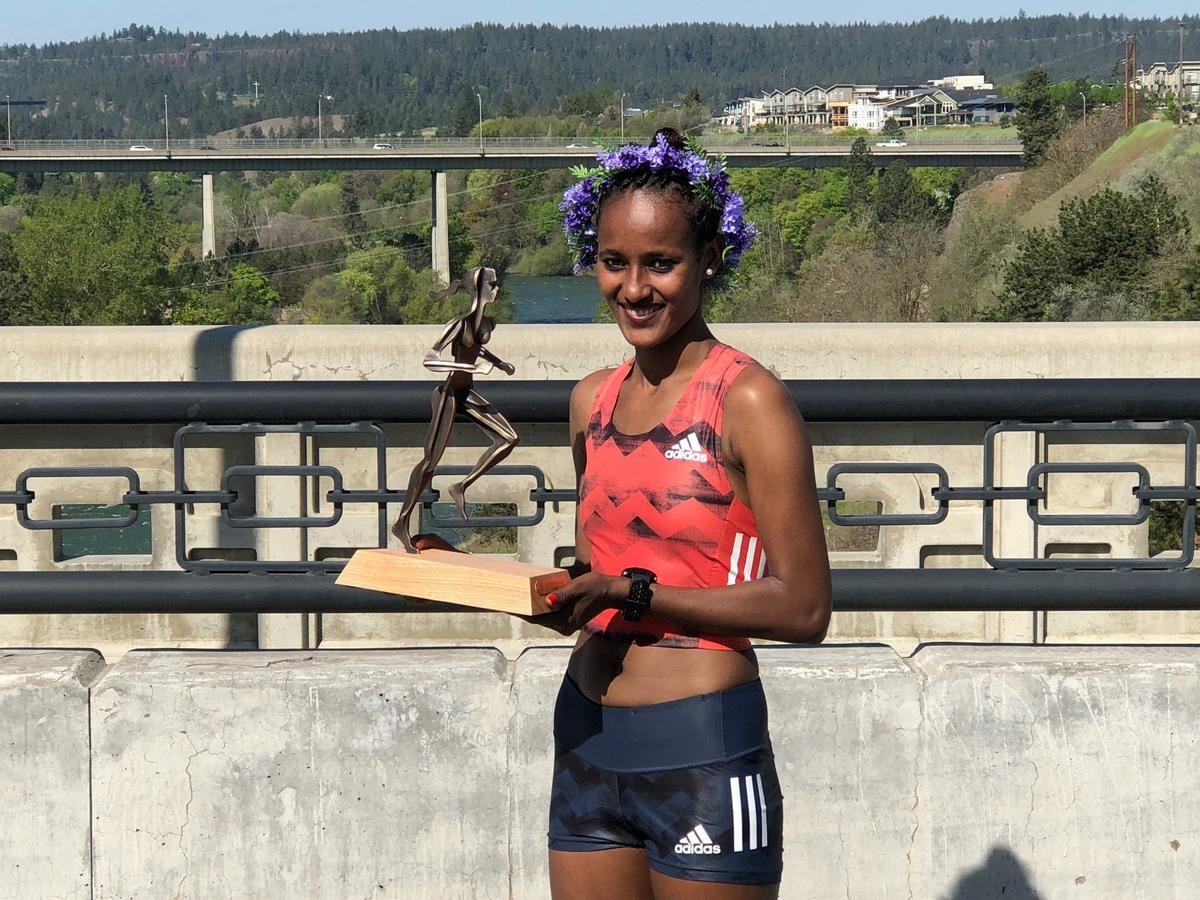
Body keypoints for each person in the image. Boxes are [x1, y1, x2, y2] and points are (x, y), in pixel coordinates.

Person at [418, 128, 831, 899]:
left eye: (660, 263)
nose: (634, 289)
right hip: (587, 738)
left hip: (703, 747)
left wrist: (630, 593)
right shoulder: (591, 401)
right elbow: (596, 580)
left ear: (710, 256)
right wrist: (487, 579)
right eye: (614, 262)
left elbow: (804, 607)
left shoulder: (749, 400)